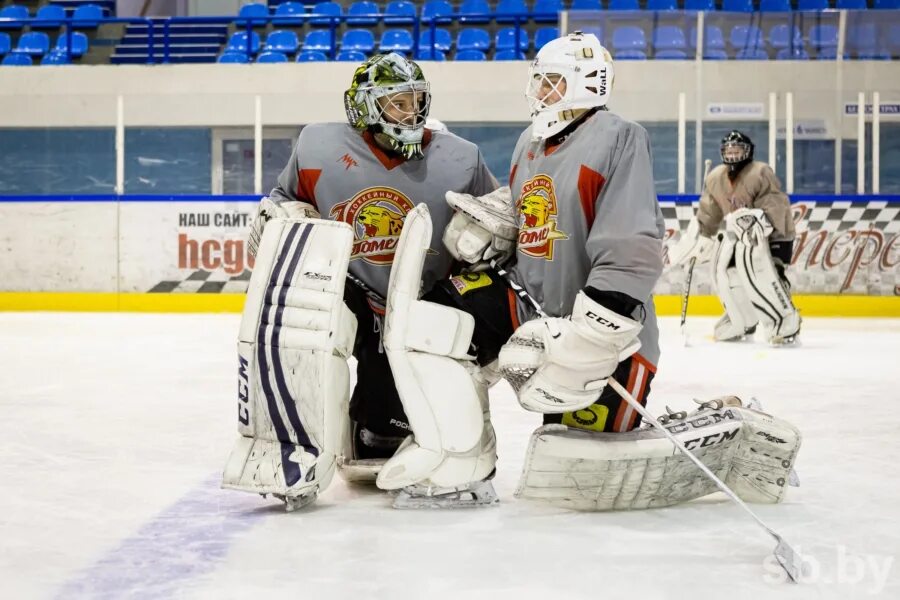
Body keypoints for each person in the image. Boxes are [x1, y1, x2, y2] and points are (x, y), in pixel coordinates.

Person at [380, 32, 800, 512]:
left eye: (552, 83)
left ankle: (725, 420)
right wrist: (494, 225)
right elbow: (530, 211)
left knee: (578, 465)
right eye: (538, 83)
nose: (540, 93)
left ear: (587, 84)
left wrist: (601, 326)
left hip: (604, 330)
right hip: (533, 306)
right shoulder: (529, 142)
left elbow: (632, 237)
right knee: (437, 319)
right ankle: (461, 459)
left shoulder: (618, 137)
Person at [221, 53, 499, 510]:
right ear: (364, 108)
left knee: (384, 426)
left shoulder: (462, 158)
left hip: (422, 294)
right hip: (346, 286)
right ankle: (289, 443)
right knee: (301, 330)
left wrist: (486, 232)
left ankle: (405, 431)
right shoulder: (316, 145)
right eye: (396, 103)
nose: (411, 113)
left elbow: (494, 218)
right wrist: (282, 216)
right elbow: (282, 202)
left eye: (417, 100)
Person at [669, 131, 801, 344]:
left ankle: (785, 320)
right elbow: (709, 213)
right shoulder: (715, 178)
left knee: (768, 275)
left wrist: (763, 228)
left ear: (747, 152)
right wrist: (700, 237)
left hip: (774, 235)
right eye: (728, 151)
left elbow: (774, 204)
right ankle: (743, 319)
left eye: (737, 151)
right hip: (741, 239)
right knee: (726, 273)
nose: (732, 155)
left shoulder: (760, 172)